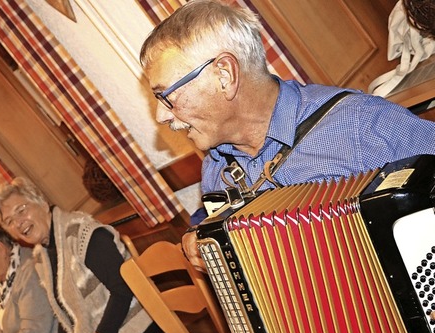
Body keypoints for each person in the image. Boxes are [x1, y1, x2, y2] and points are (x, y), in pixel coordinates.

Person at [139, 0, 435, 268]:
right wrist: (199, 237)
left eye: (166, 96)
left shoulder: (361, 124)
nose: (161, 116)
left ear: (224, 75)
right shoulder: (217, 170)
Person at [0, 177, 162, 333]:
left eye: (21, 210)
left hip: (133, 324)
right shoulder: (41, 254)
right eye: (9, 221)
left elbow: (124, 289)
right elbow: (64, 302)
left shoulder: (82, 234)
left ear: (42, 203)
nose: (18, 223)